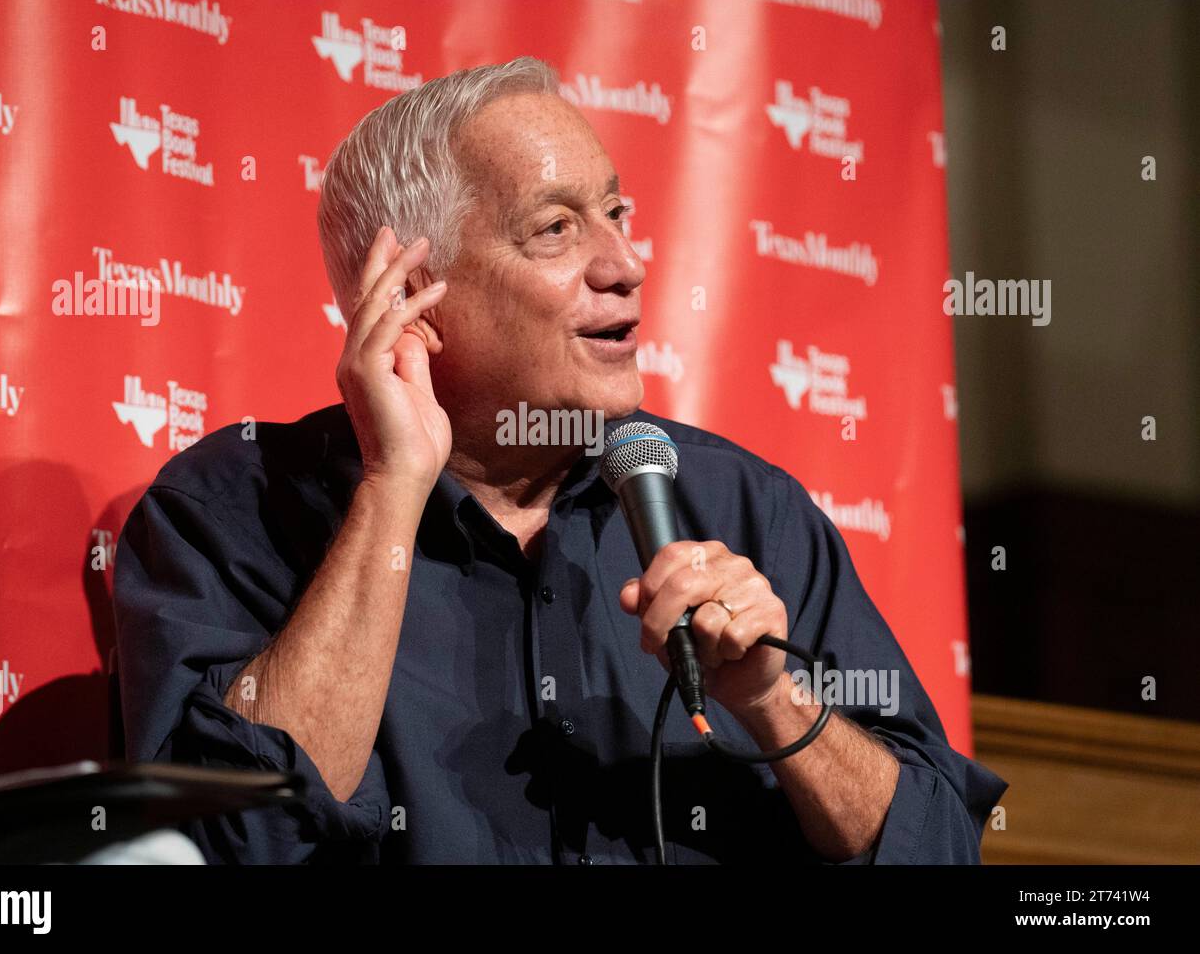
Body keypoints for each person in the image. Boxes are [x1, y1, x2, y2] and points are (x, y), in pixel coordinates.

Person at [112, 55, 1006, 864]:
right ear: (417, 298)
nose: (626, 264)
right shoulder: (234, 511)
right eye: (556, 229)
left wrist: (774, 699)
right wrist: (393, 489)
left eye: (617, 214)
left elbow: (935, 851)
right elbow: (229, 846)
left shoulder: (743, 508)